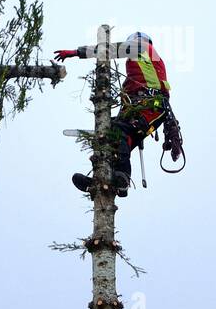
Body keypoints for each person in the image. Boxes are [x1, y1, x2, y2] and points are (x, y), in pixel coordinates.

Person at [53, 31, 171, 197]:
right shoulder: (143, 66)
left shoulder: (144, 47)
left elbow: (111, 49)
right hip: (139, 108)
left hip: (150, 107)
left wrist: (77, 52)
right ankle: (103, 179)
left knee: (118, 130)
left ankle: (122, 177)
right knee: (113, 136)